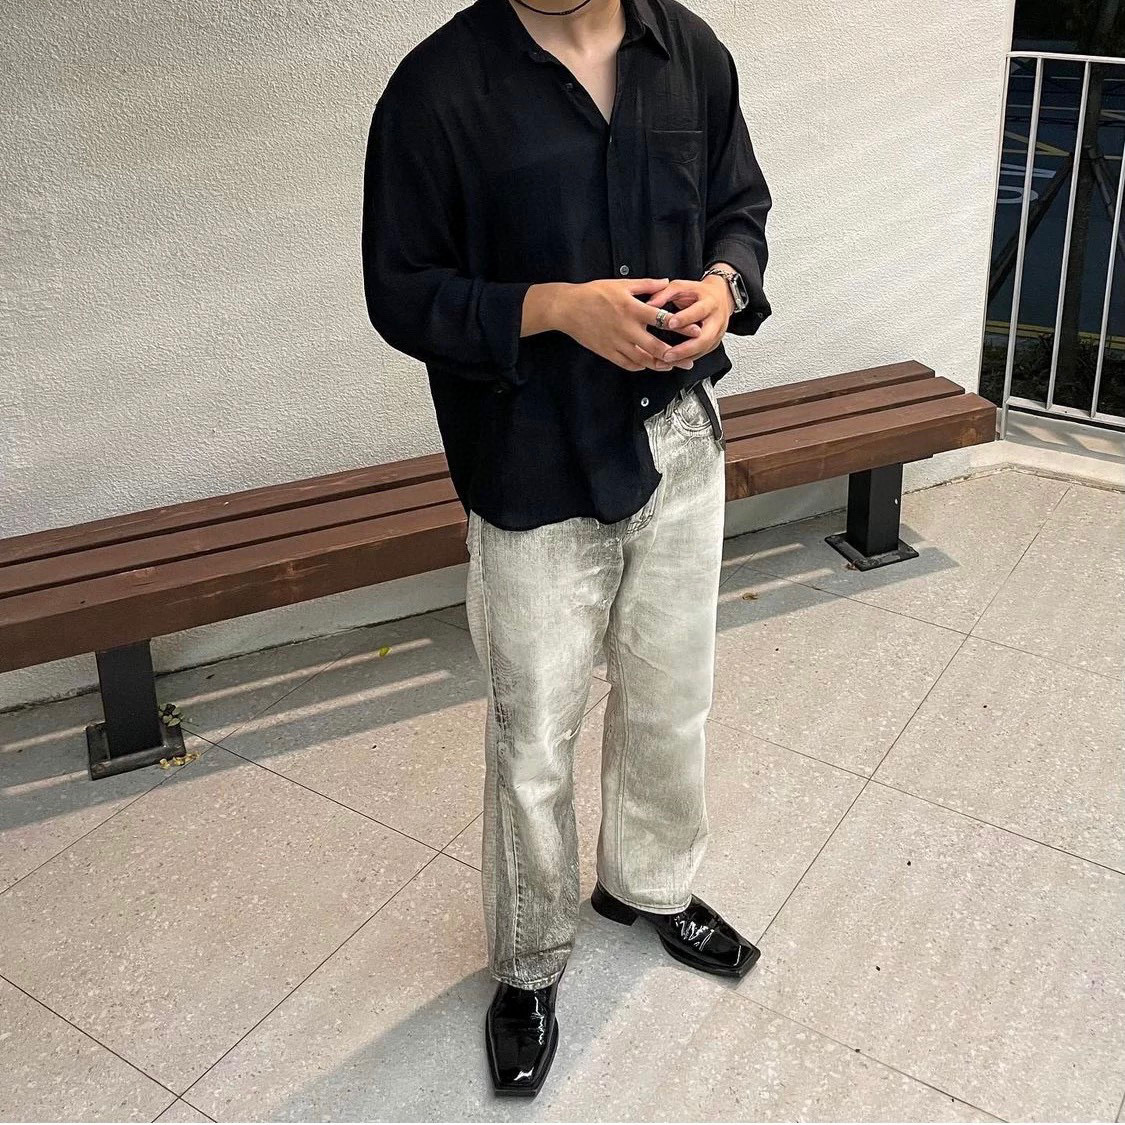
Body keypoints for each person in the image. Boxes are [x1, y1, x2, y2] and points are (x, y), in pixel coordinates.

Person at [362, 0, 772, 1097]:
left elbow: (739, 205)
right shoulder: (437, 89)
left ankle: (648, 885)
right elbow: (400, 292)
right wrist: (554, 309)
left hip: (677, 439)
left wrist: (724, 288)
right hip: (530, 458)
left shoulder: (687, 51)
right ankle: (530, 961)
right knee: (532, 737)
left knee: (670, 697)